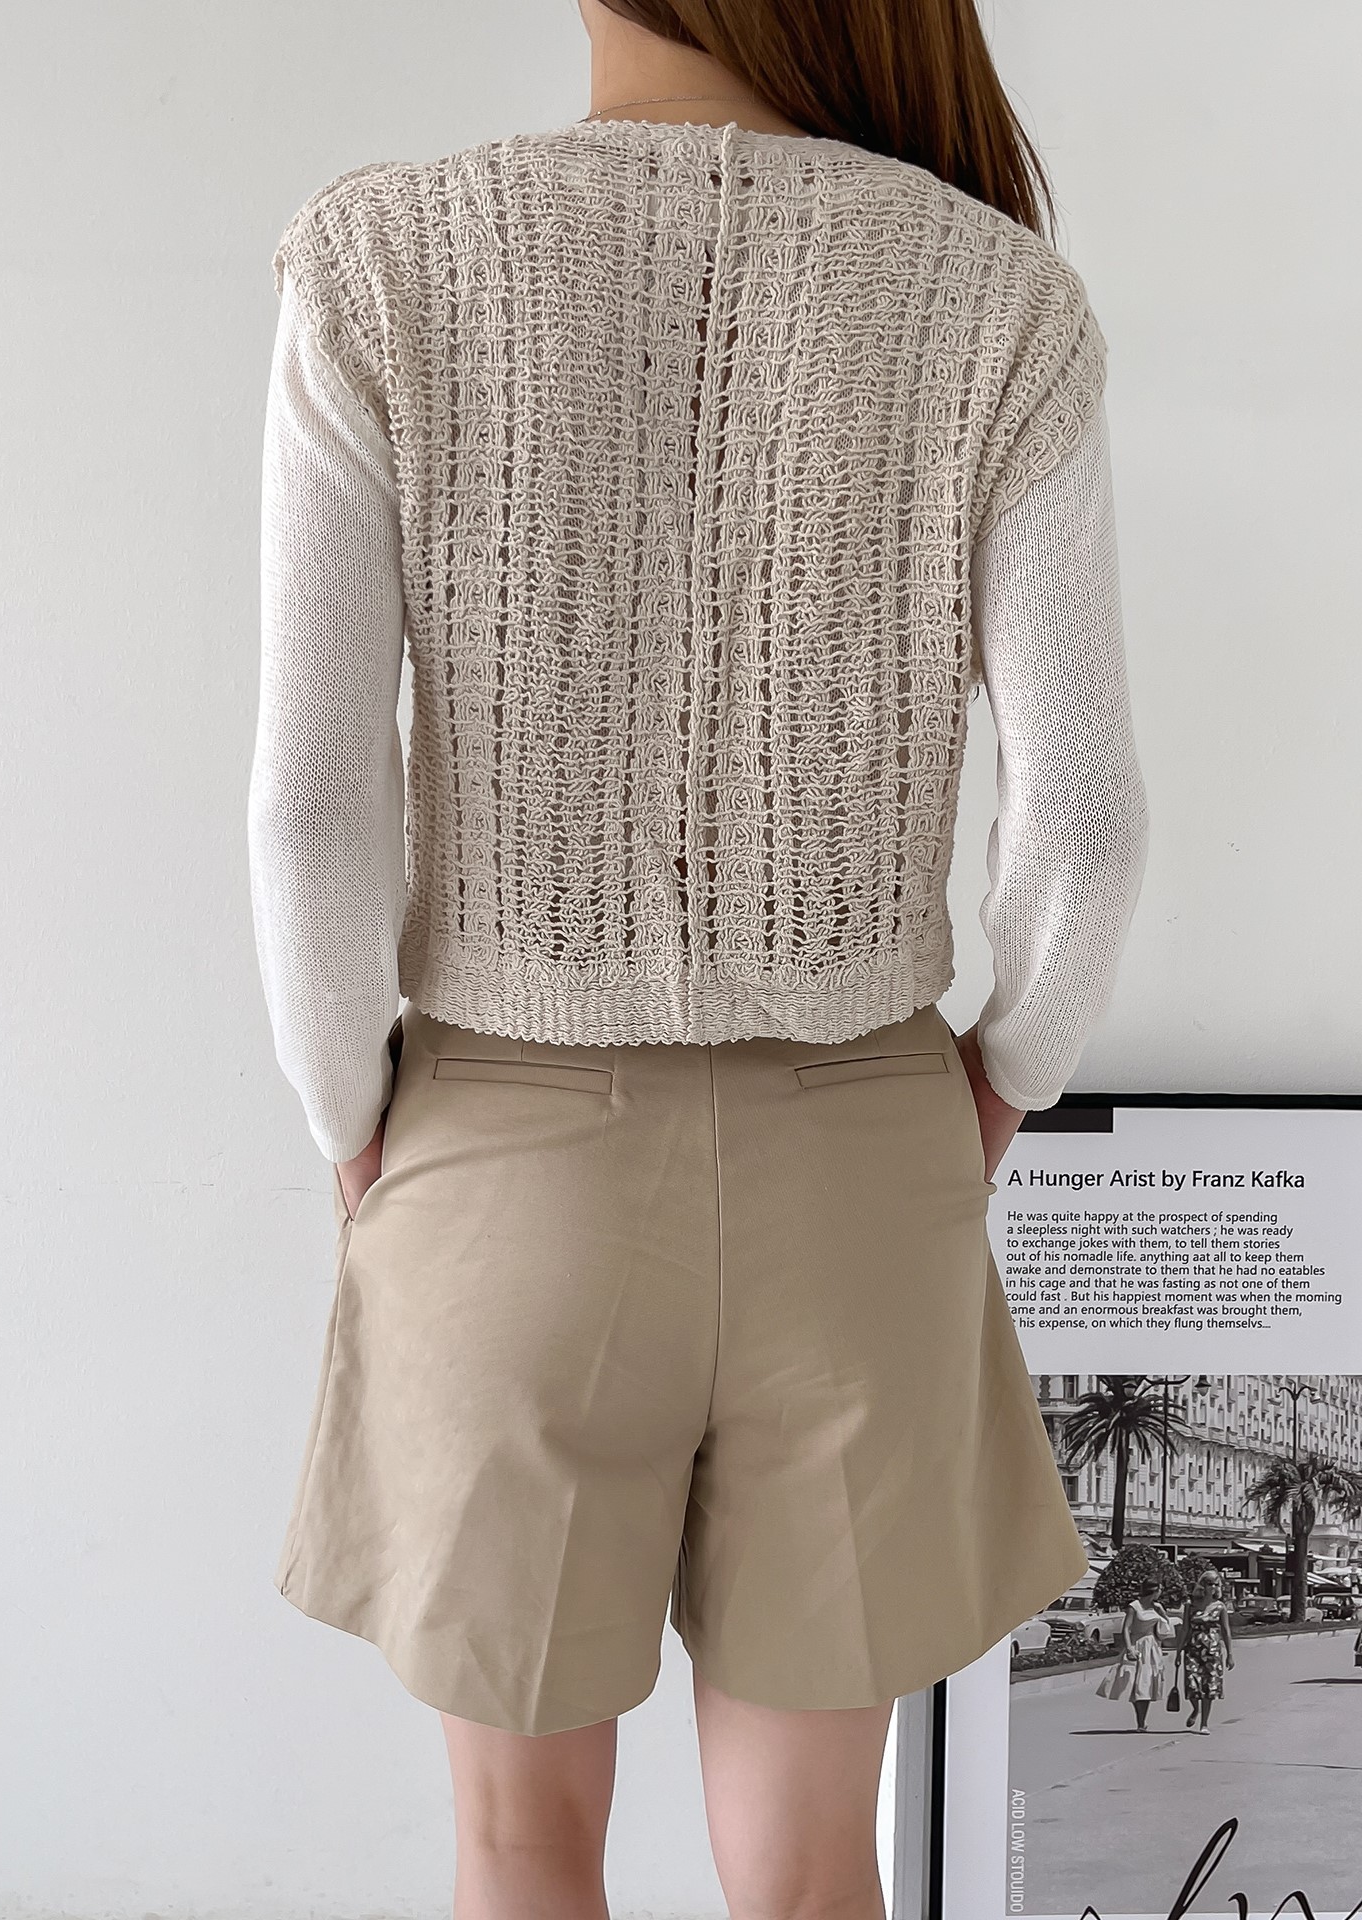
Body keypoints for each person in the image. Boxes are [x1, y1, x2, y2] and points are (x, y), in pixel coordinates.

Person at [248, 0, 1149, 1912]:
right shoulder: (996, 299)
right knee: (815, 1871)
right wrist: (1002, 1081)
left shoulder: (385, 261)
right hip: (864, 1166)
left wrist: (351, 1113)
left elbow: (314, 809)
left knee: (521, 1846)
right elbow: (1083, 820)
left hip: (502, 1163)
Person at [1095, 1577, 1174, 1730]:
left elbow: (1166, 1629)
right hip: (1137, 1644)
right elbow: (1126, 1628)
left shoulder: (1157, 1607)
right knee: (1136, 1683)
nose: (1161, 1593)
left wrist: (1163, 1614)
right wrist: (1129, 1647)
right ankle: (1141, 1721)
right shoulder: (1134, 1606)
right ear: (1154, 1591)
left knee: (1147, 1684)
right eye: (1160, 1590)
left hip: (1152, 1647)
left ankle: (1142, 1722)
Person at [1181, 1570, 1235, 1732]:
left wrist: (1230, 1654)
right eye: (1209, 1583)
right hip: (1193, 1649)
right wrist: (1178, 1650)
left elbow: (1226, 1631)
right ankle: (1195, 1709)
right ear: (1202, 1585)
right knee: (1192, 1684)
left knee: (1209, 1687)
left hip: (1213, 1650)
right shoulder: (1191, 1606)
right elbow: (1185, 1629)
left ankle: (1204, 1723)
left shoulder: (1220, 1607)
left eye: (1216, 1584)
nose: (1213, 1587)